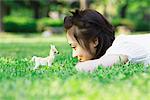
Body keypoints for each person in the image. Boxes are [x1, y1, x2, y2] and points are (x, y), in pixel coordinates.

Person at [64, 9, 150, 72]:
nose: (73, 55)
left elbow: (89, 67)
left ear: (94, 41)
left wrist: (79, 66)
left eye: (74, 47)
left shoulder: (122, 47)